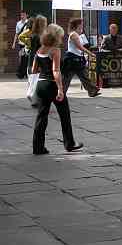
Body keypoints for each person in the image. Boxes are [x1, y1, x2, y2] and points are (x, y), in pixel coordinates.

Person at [31, 24, 83, 155]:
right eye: (60, 36)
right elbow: (56, 71)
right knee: (64, 115)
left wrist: (44, 67)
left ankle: (38, 147)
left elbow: (33, 70)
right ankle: (69, 143)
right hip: (52, 85)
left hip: (41, 85)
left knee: (41, 116)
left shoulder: (40, 50)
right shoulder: (55, 50)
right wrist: (60, 89)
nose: (61, 38)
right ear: (56, 37)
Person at [62, 18, 100, 97]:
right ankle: (61, 93)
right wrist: (90, 53)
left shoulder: (78, 34)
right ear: (77, 25)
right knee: (68, 77)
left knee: (83, 76)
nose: (82, 25)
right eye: (81, 24)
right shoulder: (74, 34)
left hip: (78, 59)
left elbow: (84, 45)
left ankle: (92, 90)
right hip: (72, 59)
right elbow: (79, 47)